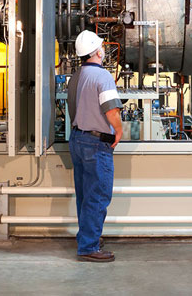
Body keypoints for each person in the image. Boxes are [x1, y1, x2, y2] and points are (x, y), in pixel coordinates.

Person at [68, 30, 123, 262]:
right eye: (101, 46)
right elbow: (111, 109)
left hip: (77, 139)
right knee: (98, 195)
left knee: (84, 195)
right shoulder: (103, 77)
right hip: (96, 143)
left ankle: (87, 237)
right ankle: (89, 247)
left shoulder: (76, 76)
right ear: (97, 51)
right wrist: (119, 130)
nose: (104, 49)